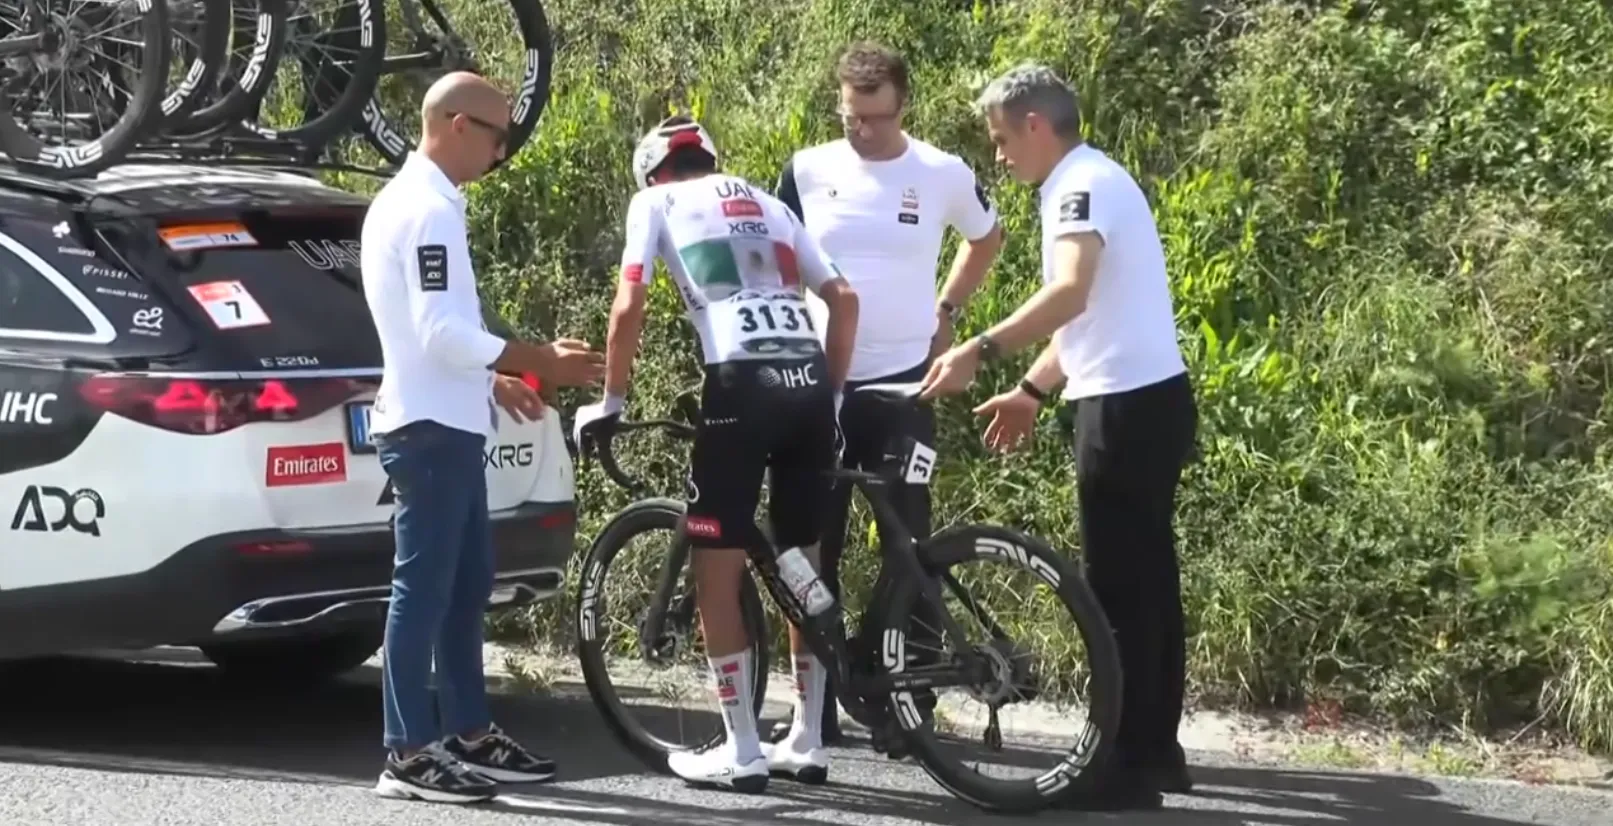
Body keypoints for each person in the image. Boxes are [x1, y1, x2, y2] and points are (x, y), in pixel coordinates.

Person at [918, 63, 1199, 811]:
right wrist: (1033, 389)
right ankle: (1154, 751)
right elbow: (1091, 316)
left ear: (1036, 126)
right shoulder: (1094, 179)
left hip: (1125, 407)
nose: (999, 155)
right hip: (1145, 398)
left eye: (1001, 139)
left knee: (1119, 592)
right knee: (1148, 585)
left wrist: (979, 350)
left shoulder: (1078, 186)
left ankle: (1121, 770)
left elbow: (1069, 292)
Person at [573, 114, 859, 792]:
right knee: (799, 561)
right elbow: (843, 299)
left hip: (740, 386)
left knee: (716, 567)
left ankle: (741, 747)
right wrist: (830, 396)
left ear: (652, 173)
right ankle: (808, 738)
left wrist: (610, 401)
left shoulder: (655, 201)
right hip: (808, 386)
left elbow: (630, 302)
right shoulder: (768, 203)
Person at [361, 71, 606, 805]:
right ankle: (408, 752)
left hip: (447, 419)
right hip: (428, 429)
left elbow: (428, 332)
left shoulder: (423, 201)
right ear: (458, 125)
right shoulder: (426, 209)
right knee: (424, 592)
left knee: (465, 587)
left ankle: (468, 733)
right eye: (498, 137)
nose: (502, 154)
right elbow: (439, 331)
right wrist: (537, 360)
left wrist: (492, 379)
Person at [768, 41, 1004, 760]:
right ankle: (813, 707)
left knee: (912, 545)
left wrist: (948, 309)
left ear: (903, 106)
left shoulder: (940, 172)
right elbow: (776, 263)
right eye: (850, 118)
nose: (862, 131)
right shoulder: (807, 170)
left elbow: (987, 237)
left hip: (906, 384)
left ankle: (906, 699)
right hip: (822, 388)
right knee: (811, 548)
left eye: (875, 117)